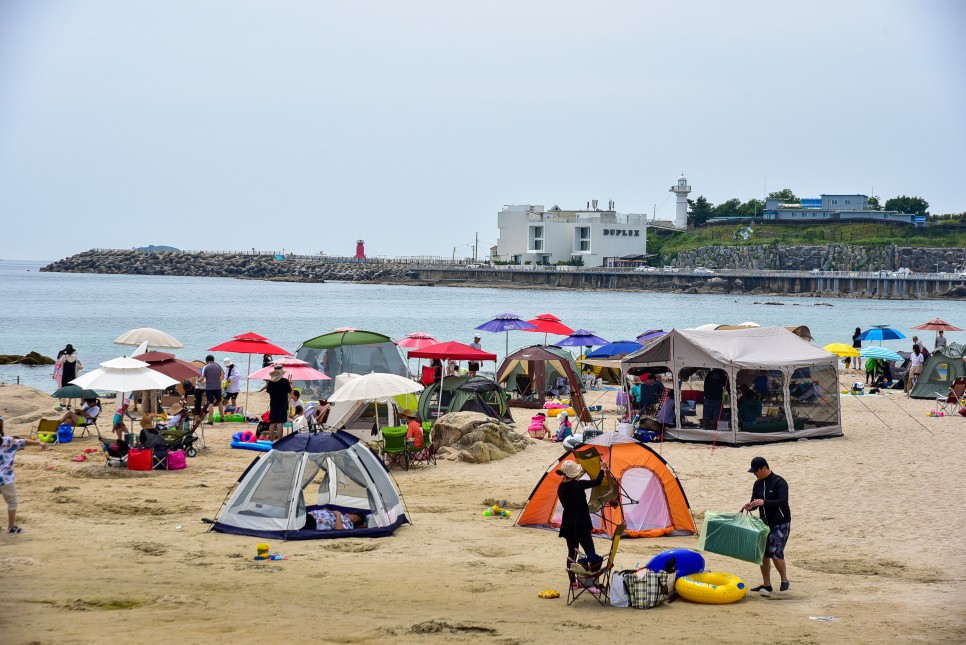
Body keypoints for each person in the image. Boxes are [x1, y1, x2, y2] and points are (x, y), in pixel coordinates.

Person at [742, 457, 791, 596]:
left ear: (764, 468)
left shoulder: (779, 482)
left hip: (781, 522)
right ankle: (767, 584)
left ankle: (784, 580)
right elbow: (754, 502)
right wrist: (750, 507)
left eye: (756, 471)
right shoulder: (757, 484)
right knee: (763, 553)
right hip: (764, 523)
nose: (754, 474)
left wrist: (765, 502)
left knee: (775, 551)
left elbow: (783, 501)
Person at [557, 460, 606, 588]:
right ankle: (591, 584)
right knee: (590, 552)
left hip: (568, 524)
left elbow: (571, 480)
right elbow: (597, 482)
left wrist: (581, 471)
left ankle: (573, 582)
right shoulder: (579, 485)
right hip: (581, 524)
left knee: (571, 553)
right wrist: (602, 469)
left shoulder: (561, 487)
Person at [1, 416, 49, 533]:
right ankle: (11, 527)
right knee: (12, 502)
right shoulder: (8, 441)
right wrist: (39, 442)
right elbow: (24, 441)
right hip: (6, 479)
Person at [265, 364, 293, 441]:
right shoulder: (285, 381)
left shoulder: (270, 382)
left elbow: (269, 392)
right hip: (283, 404)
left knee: (272, 422)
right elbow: (291, 391)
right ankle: (279, 440)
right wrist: (291, 385)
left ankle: (271, 440)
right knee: (280, 423)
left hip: (273, 404)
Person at [201, 355, 225, 423]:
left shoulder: (206, 367)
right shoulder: (218, 366)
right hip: (218, 387)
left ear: (206, 361)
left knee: (210, 403)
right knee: (220, 402)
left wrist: (198, 380)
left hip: (209, 388)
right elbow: (221, 376)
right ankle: (222, 418)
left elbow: (202, 378)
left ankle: (210, 420)